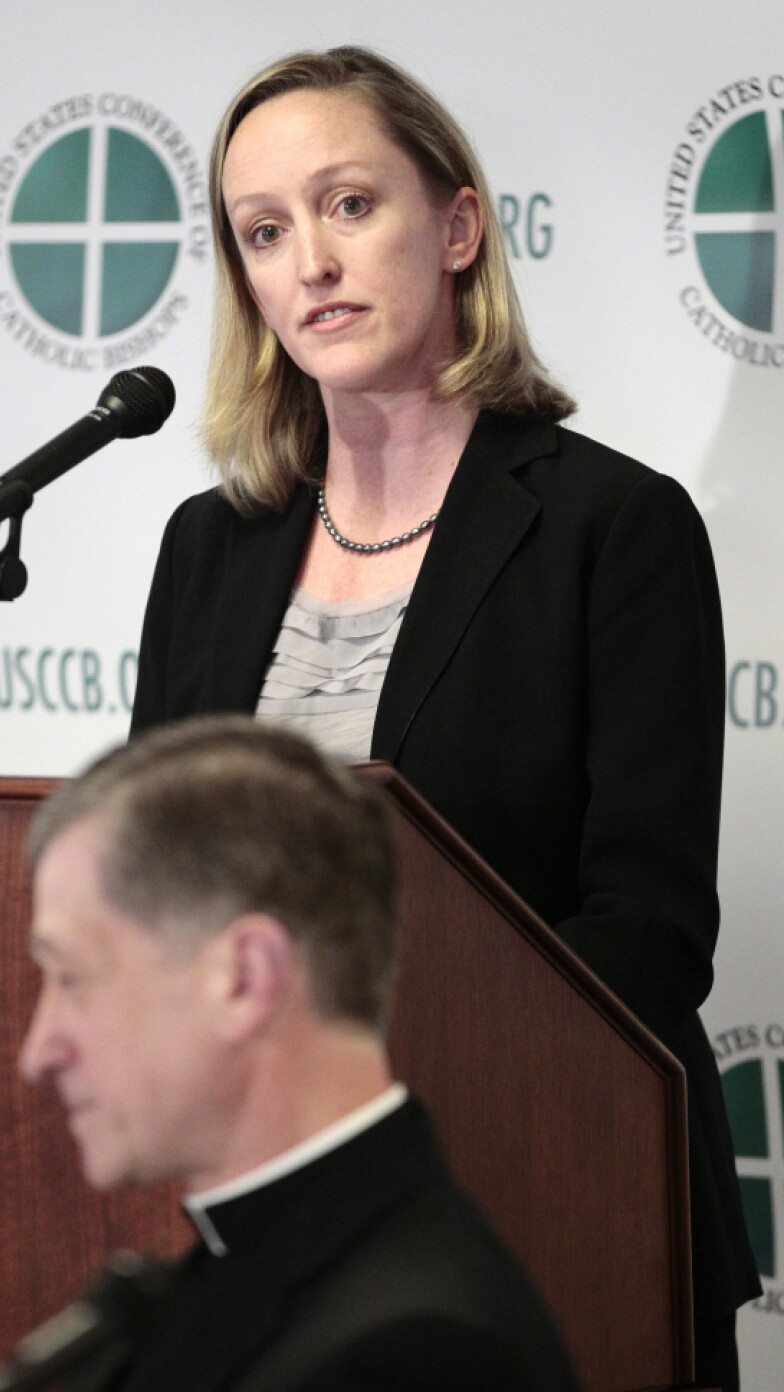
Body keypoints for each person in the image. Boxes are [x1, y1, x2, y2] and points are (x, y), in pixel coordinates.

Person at [128, 45, 760, 1390]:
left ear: (458, 227)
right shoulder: (210, 548)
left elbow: (648, 929)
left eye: (351, 205)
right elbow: (153, 894)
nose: (312, 260)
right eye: (265, 230)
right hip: (270, 1240)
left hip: (557, 1202)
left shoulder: (613, 528)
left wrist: (389, 1103)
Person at [20, 716, 582, 1392]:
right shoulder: (222, 1278)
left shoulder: (416, 1358)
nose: (38, 1052)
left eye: (73, 978)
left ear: (246, 980)